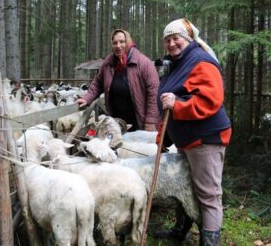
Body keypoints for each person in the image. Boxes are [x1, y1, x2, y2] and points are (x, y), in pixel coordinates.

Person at [156, 18, 232, 245]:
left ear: (187, 39)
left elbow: (210, 100)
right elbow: (168, 106)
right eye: (167, 39)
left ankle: (210, 242)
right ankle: (181, 231)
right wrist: (163, 137)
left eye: (176, 38)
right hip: (188, 139)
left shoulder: (200, 61)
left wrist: (177, 103)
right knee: (186, 187)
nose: (171, 43)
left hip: (206, 139)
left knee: (208, 194)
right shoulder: (177, 63)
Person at [76, 29, 159, 132]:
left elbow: (154, 93)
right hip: (116, 122)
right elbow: (98, 83)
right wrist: (87, 98)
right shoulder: (108, 63)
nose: (118, 46)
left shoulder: (144, 63)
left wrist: (150, 121)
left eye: (122, 42)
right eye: (115, 43)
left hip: (139, 121)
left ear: (128, 42)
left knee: (135, 148)